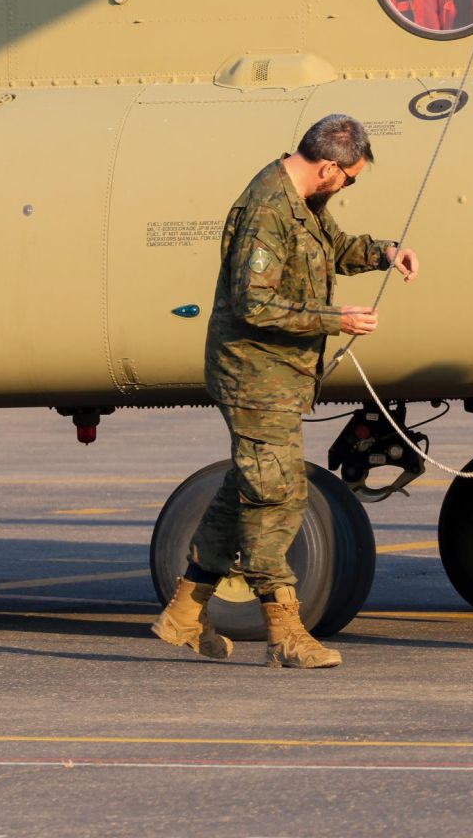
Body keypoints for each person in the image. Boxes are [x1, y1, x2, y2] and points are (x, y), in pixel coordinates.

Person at [151, 114, 419, 669]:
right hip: (254, 375)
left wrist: (385, 252)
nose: (348, 186)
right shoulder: (268, 210)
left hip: (277, 375)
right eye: (349, 179)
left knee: (243, 489)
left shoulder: (303, 203)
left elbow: (332, 249)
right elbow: (254, 304)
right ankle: (286, 632)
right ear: (328, 167)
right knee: (278, 497)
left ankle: (182, 614)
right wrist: (333, 318)